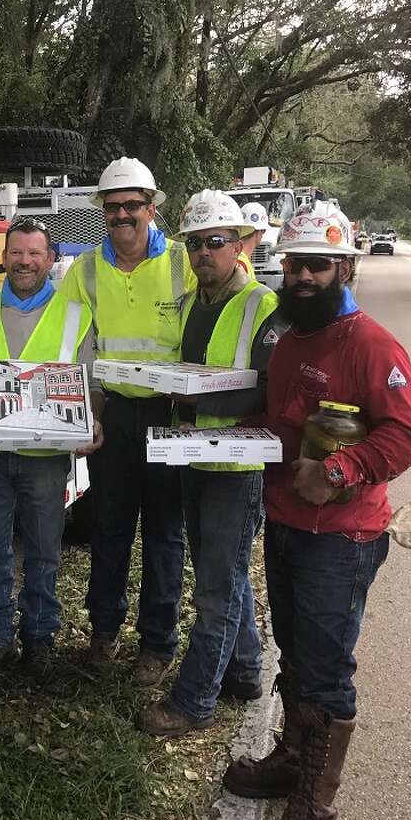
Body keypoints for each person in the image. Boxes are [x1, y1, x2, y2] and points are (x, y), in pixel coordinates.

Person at [221, 208, 411, 820]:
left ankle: (315, 799)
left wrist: (338, 471)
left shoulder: (372, 345)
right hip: (286, 521)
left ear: (345, 269)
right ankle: (291, 759)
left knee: (327, 665)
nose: (304, 277)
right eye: (295, 265)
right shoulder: (291, 342)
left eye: (319, 265)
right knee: (295, 650)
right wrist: (221, 436)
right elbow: (280, 423)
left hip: (342, 538)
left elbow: (408, 435)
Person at [135, 190, 283, 736]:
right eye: (195, 244)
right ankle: (244, 672)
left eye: (215, 242)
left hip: (236, 469)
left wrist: (197, 396)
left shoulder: (263, 306)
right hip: (193, 456)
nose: (203, 253)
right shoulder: (191, 303)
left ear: (238, 244)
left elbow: (270, 390)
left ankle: (194, 701)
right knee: (224, 574)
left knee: (216, 590)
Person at [59, 157, 195, 687]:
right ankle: (104, 632)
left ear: (151, 208)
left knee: (164, 534)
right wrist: (88, 412)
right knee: (109, 529)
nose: (122, 215)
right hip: (111, 413)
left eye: (132, 205)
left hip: (169, 415)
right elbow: (74, 347)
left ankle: (157, 645)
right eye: (113, 206)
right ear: (103, 211)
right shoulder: (86, 270)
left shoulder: (184, 263)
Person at [0, 219, 101, 681]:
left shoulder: (75, 316)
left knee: (44, 552)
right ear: (3, 258)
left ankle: (39, 638)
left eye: (35, 253)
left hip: (45, 458)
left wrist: (93, 419)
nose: (25, 262)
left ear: (50, 259)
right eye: (17, 253)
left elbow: (91, 384)